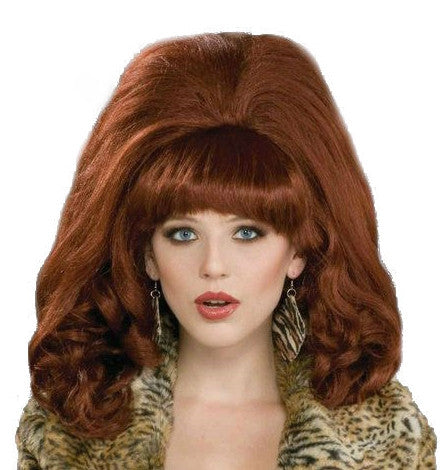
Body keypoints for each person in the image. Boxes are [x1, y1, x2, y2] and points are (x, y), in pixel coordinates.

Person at [15, 32, 436, 469]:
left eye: (247, 233)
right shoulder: (68, 433)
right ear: (147, 254)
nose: (213, 266)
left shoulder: (388, 444)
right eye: (183, 234)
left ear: (299, 251)